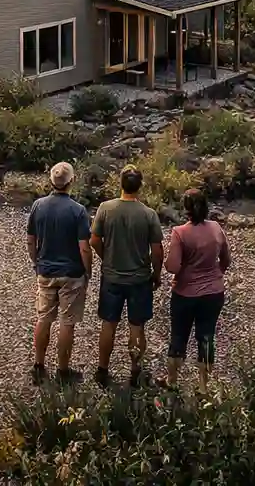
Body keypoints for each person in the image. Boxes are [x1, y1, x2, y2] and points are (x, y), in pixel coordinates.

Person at [90, 164, 163, 387]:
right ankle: (135, 371)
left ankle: (102, 369)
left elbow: (94, 240)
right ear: (140, 186)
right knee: (136, 326)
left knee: (109, 323)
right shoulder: (148, 214)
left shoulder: (105, 208)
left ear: (120, 184)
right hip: (139, 279)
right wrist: (156, 273)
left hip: (112, 277)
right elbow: (157, 250)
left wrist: (106, 258)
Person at [27, 161, 92, 385]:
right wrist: (88, 271)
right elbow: (84, 247)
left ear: (51, 181)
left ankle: (38, 365)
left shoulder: (38, 206)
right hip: (71, 273)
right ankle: (63, 371)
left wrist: (36, 262)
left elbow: (30, 240)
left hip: (46, 270)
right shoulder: (78, 210)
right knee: (67, 322)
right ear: (71, 181)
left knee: (43, 318)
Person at [164, 188, 231, 390]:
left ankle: (172, 381)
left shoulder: (180, 233)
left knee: (178, 336)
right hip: (213, 292)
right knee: (206, 337)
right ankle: (203, 386)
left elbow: (173, 267)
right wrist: (214, 275)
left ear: (186, 209)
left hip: (185, 293)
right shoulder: (216, 228)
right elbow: (226, 259)